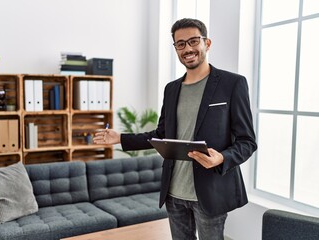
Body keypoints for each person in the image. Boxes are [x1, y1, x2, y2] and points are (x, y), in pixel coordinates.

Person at [93, 18, 257, 240]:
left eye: (193, 41)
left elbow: (247, 141)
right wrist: (119, 138)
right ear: (176, 49)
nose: (187, 49)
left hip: (210, 191)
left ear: (207, 43)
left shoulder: (232, 83)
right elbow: (161, 135)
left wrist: (222, 158)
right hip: (173, 192)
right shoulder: (171, 89)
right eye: (180, 44)